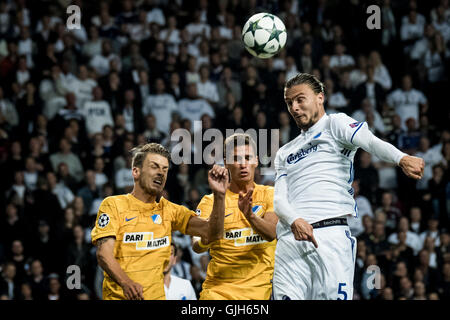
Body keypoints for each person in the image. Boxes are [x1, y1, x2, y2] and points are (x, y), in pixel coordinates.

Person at [272, 73, 425, 300]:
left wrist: (401, 158)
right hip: (289, 241)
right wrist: (294, 220)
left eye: (300, 99)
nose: (294, 107)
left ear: (320, 97)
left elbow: (371, 142)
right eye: (289, 103)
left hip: (329, 236)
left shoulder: (335, 124)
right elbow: (279, 200)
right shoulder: (285, 152)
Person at [91, 143, 228, 300]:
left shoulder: (169, 210)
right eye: (154, 167)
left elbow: (214, 233)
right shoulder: (113, 205)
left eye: (164, 169)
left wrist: (219, 196)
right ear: (135, 171)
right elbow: (103, 254)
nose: (161, 173)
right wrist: (126, 283)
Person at [192, 133, 278, 300]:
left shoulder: (270, 194)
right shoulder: (209, 201)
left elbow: (271, 234)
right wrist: (219, 197)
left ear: (256, 161)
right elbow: (197, 246)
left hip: (258, 295)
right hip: (217, 293)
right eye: (237, 158)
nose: (243, 164)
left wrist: (249, 216)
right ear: (226, 163)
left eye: (248, 157)